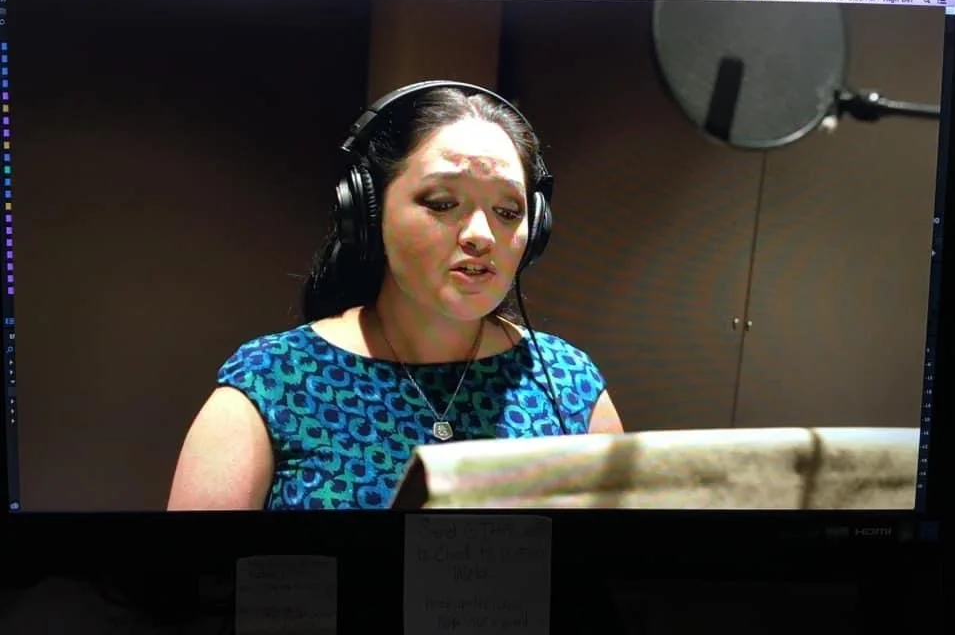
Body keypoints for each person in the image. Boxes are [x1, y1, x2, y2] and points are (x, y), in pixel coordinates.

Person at [167, 81, 623, 511]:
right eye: (443, 203)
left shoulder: (567, 384)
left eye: (508, 211)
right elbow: (189, 585)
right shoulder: (273, 380)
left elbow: (624, 581)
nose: (482, 236)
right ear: (367, 212)